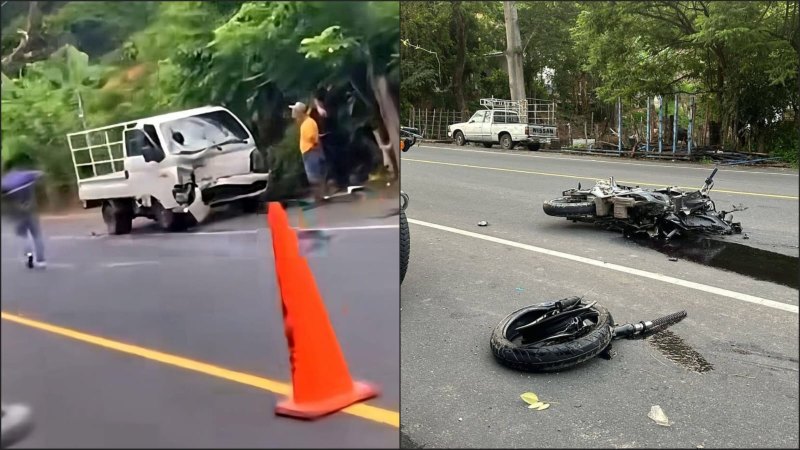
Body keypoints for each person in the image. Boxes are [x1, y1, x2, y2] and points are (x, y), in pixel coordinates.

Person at [1, 169, 46, 269]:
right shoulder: (27, 180)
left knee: (23, 237)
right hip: (31, 211)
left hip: (17, 214)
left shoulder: (6, 186)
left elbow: (6, 203)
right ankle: (41, 260)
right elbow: (40, 174)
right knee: (37, 236)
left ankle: (29, 257)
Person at [289, 101, 328, 203]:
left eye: (295, 111)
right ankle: (319, 196)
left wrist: (314, 149)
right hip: (310, 152)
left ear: (300, 112)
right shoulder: (306, 123)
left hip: (311, 152)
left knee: (314, 176)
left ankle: (319, 197)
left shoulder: (308, 123)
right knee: (315, 175)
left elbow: (313, 139)